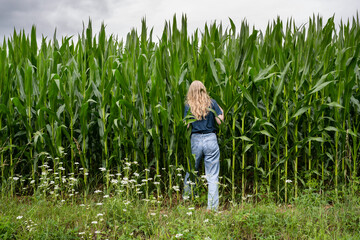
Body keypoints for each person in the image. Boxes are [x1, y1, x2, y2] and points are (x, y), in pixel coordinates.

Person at [183, 80, 224, 211]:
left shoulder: (188, 105)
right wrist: (221, 112)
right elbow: (219, 121)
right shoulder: (212, 103)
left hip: (195, 139)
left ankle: (187, 202)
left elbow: (187, 125)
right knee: (212, 175)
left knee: (191, 171)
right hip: (211, 139)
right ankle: (212, 208)